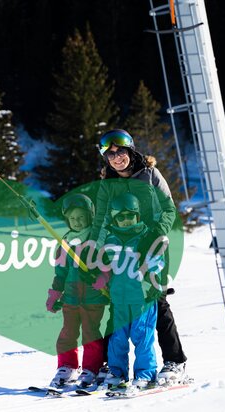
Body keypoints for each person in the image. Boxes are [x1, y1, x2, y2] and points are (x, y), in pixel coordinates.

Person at [91, 129, 189, 384]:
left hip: (152, 244)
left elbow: (168, 208)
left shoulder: (151, 175)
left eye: (120, 152)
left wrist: (156, 232)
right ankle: (111, 365)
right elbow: (100, 219)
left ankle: (174, 361)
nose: (116, 158)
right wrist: (95, 249)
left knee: (155, 301)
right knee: (117, 300)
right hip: (119, 246)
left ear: (130, 150)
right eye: (110, 154)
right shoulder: (107, 184)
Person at [100, 193, 165, 391]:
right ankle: (117, 372)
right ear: (114, 219)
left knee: (142, 336)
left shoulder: (145, 238)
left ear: (137, 216)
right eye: (121, 216)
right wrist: (102, 281)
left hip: (142, 298)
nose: (126, 220)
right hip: (119, 298)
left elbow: (156, 261)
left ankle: (146, 374)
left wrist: (151, 283)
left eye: (130, 215)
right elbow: (106, 266)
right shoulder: (110, 241)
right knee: (117, 338)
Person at [45, 193, 110, 389]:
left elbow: (107, 265)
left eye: (81, 217)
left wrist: (102, 278)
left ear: (90, 216)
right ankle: (67, 366)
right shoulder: (65, 242)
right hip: (71, 297)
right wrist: (55, 293)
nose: (77, 222)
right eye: (72, 218)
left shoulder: (97, 239)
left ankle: (92, 368)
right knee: (67, 333)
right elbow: (61, 272)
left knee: (90, 333)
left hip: (93, 296)